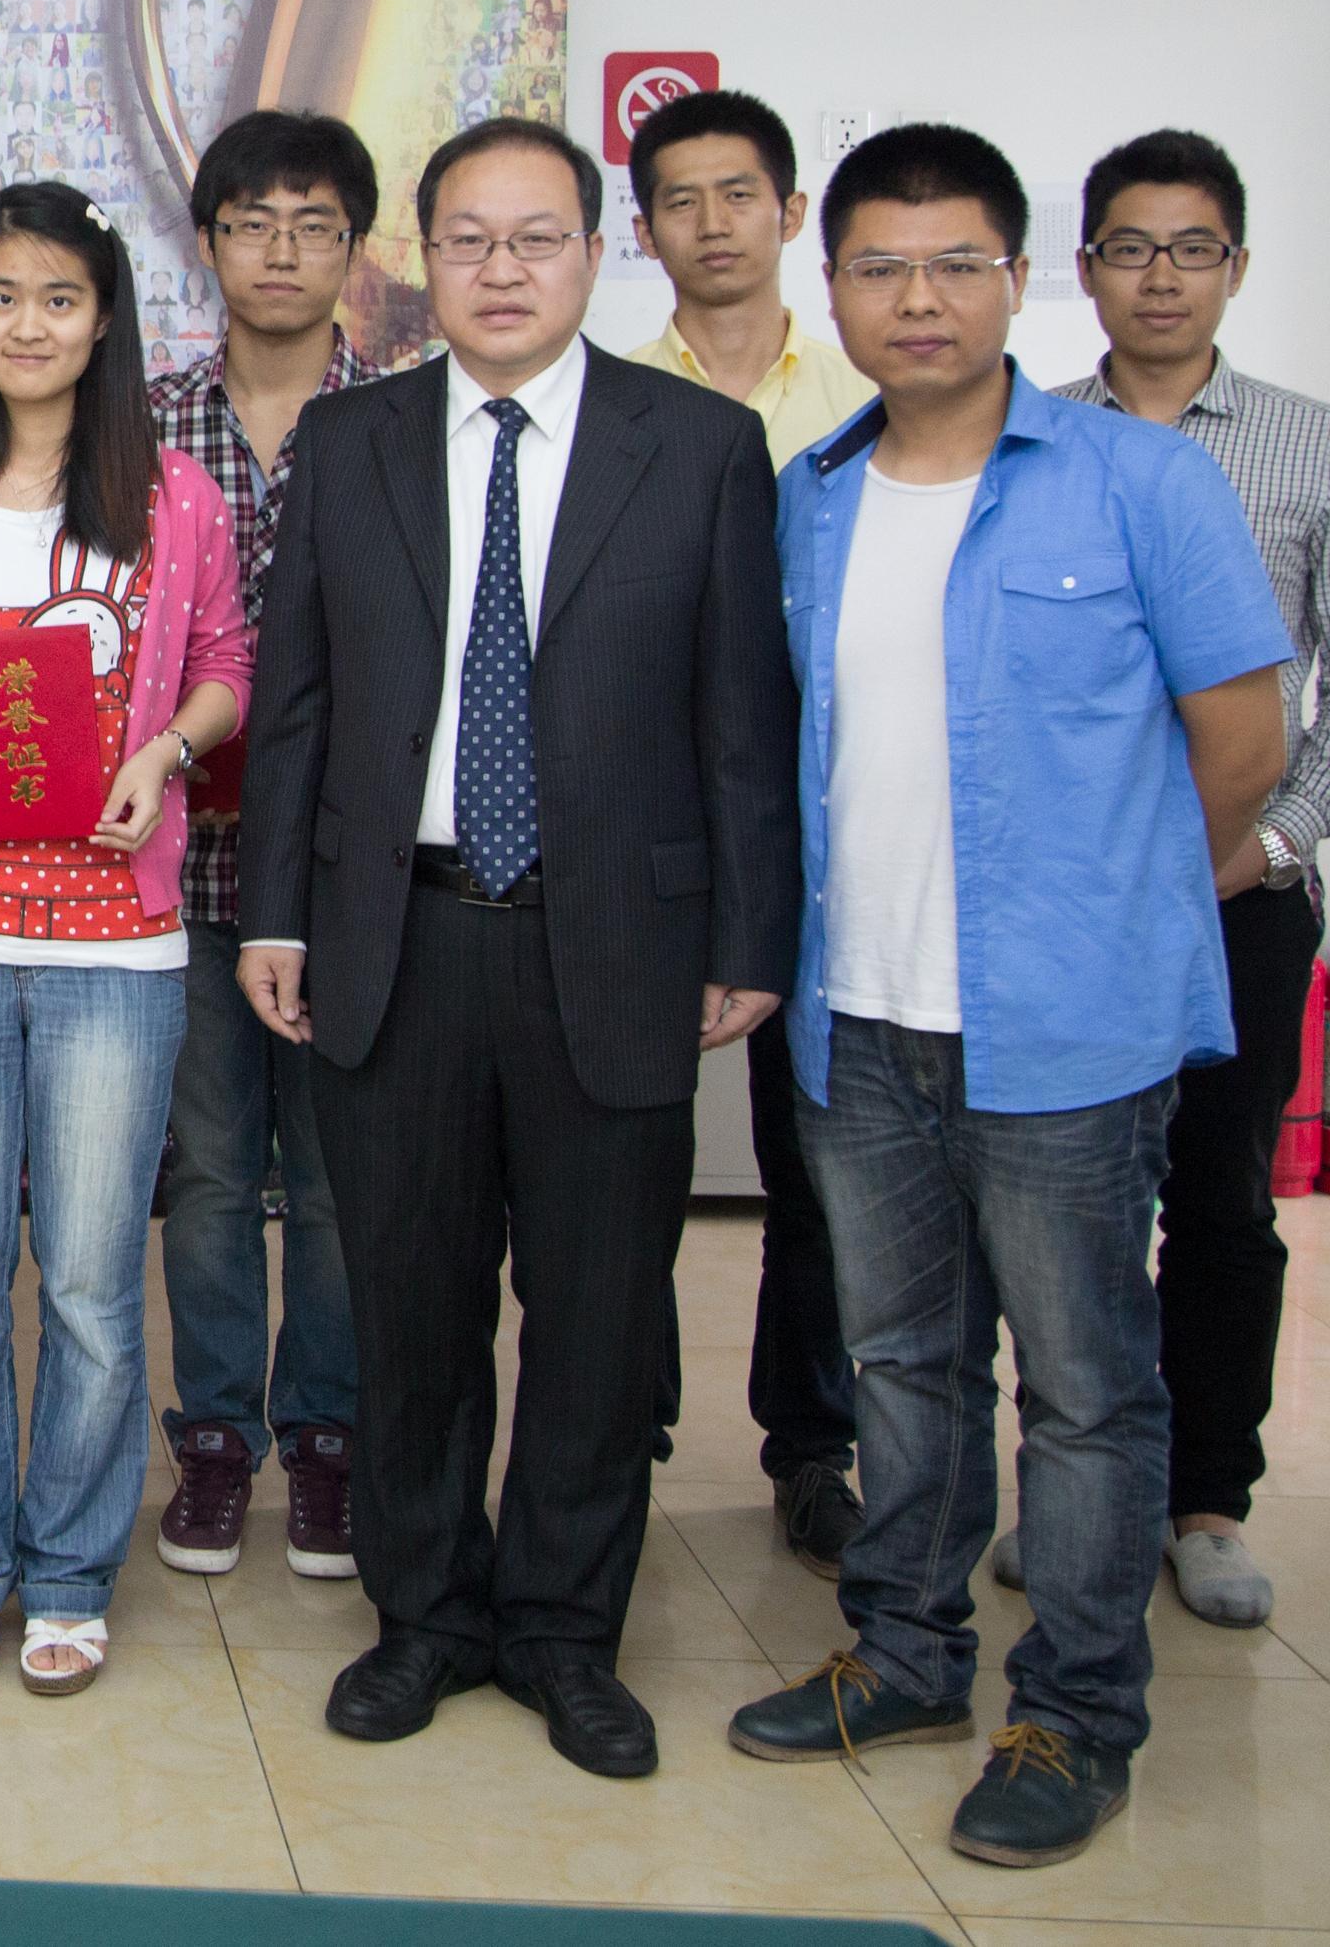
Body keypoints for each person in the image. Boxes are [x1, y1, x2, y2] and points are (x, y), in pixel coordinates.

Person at [725, 123, 1290, 1872]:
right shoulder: (810, 496)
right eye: (882, 266)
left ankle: (1076, 1711)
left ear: (1016, 278)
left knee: (1086, 1386)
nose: (919, 298)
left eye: (956, 263)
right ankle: (905, 1652)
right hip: (858, 1012)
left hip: (1066, 1028)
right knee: (900, 1363)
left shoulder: (1141, 483)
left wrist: (1111, 910)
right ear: (835, 287)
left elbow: (1241, 741)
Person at [239, 114, 798, 1781]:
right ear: (422, 258)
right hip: (396, 933)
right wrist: (277, 906)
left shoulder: (697, 445)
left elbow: (742, 718)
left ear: (595, 253)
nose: (501, 269)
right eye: (468, 239)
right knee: (407, 1298)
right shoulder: (349, 440)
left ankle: (562, 1625)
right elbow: (295, 700)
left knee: (598, 1310)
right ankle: (424, 1610)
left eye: (536, 237)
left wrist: (748, 931)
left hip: (612, 938)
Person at [0, 184, 248, 1696]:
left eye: (59, 298)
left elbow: (225, 661)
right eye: (2, 296)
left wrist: (170, 752)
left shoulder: (172, 498)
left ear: (104, 320)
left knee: (87, 1283)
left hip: (114, 941)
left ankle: (71, 1566)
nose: (28, 325)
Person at [1035, 129, 1330, 1631]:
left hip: (1240, 900)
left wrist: (1273, 843)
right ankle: (1077, 1491)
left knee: (1219, 1203)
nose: (1161, 277)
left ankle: (1205, 1499)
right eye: (1130, 247)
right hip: (1072, 901)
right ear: (1084, 269)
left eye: (1192, 248)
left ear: (1236, 267)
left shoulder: (1316, 445)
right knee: (1060, 1213)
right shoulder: (1034, 434)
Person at [619, 88, 877, 1580]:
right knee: (627, 1163)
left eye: (739, 195)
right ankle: (626, 1424)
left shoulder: (867, 398)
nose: (711, 224)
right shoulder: (609, 399)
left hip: (830, 836)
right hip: (652, 830)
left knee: (816, 1164)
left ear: (789, 213)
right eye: (679, 198)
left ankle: (812, 1445)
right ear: (642, 228)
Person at [143, 109, 376, 1582]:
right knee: (213, 1172)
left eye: (312, 226)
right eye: (250, 224)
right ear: (208, 241)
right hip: (180, 871)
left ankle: (332, 1437)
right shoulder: (140, 424)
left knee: (343, 1182)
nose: (279, 252)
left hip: (352, 881)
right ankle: (219, 1439)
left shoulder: (404, 424)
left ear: (355, 248)